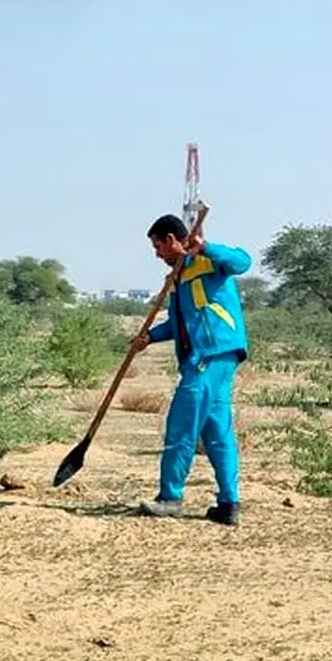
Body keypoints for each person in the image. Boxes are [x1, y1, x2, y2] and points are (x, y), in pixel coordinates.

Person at [130, 213, 252, 526]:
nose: (157, 254)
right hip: (208, 358)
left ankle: (170, 497)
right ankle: (229, 504)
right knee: (216, 432)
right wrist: (149, 337)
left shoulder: (208, 262)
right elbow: (178, 322)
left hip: (211, 355)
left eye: (158, 246)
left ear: (172, 240)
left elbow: (243, 261)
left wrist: (206, 246)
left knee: (182, 425)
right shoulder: (177, 278)